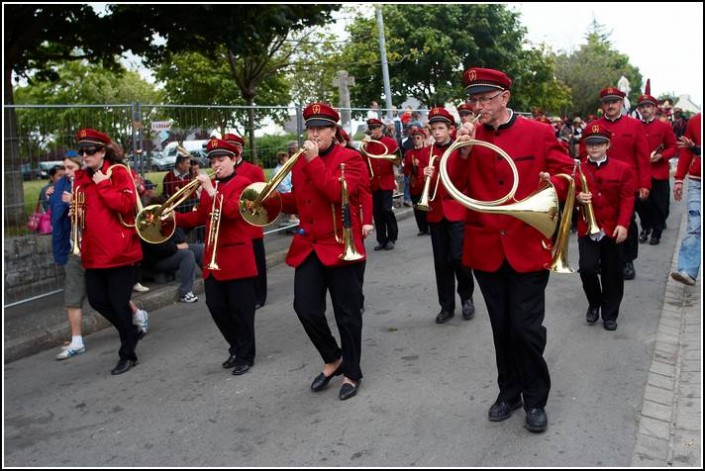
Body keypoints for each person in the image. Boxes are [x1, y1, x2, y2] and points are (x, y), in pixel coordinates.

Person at [449, 67, 575, 433]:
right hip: (485, 246)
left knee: (526, 328)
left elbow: (567, 175)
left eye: (485, 99)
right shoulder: (466, 140)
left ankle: (536, 398)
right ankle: (509, 392)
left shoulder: (539, 132)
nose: (478, 106)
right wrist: (464, 151)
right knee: (501, 327)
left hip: (527, 244)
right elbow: (451, 187)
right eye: (474, 100)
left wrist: (554, 187)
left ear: (505, 98)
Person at [279, 102, 367, 400]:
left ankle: (352, 372)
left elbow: (334, 193)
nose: (314, 134)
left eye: (320, 129)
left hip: (341, 245)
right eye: (311, 129)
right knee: (305, 308)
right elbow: (301, 201)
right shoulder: (301, 161)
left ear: (333, 130)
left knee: (347, 314)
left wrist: (313, 161)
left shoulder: (351, 158)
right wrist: (267, 202)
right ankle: (333, 357)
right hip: (310, 246)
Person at [175, 138, 258, 375]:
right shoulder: (213, 185)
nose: (216, 164)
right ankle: (236, 347)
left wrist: (211, 191)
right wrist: (173, 218)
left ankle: (246, 355)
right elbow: (200, 216)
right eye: (213, 160)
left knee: (242, 311)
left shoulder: (244, 183)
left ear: (233, 160)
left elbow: (232, 212)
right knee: (216, 307)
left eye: (221, 159)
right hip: (214, 259)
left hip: (237, 258)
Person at [72, 128, 144, 375]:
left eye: (89, 151)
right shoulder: (81, 177)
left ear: (102, 152)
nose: (84, 155)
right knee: (97, 300)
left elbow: (125, 205)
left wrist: (103, 185)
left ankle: (127, 353)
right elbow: (84, 211)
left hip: (119, 251)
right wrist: (74, 210)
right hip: (93, 252)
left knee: (119, 302)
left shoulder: (118, 172)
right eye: (81, 151)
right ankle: (130, 332)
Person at [581, 87, 650, 280]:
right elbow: (582, 156)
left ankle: (628, 260)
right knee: (602, 221)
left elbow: (643, 158)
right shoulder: (592, 127)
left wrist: (645, 184)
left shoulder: (635, 126)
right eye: (607, 102)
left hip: (628, 184)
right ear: (602, 105)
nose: (610, 105)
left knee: (628, 223)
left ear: (621, 104)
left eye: (614, 102)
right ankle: (604, 259)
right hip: (598, 184)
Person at [576, 124, 636, 331]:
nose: (594, 148)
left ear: (607, 145)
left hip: (612, 228)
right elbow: (567, 195)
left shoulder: (623, 168)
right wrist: (577, 198)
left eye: (599, 143)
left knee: (613, 273)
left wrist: (623, 224)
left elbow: (627, 198)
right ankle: (594, 302)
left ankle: (610, 313)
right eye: (590, 144)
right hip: (587, 227)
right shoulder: (578, 169)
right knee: (587, 268)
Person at [421, 107, 476, 324]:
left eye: (441, 128)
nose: (436, 132)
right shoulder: (427, 153)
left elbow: (463, 178)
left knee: (459, 258)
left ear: (450, 129)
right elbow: (418, 187)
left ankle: (467, 297)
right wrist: (423, 176)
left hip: (456, 212)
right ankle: (446, 306)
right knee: (441, 262)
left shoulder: (458, 148)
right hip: (436, 214)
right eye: (433, 129)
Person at [222, 133, 267, 309]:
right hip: (232, 226)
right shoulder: (223, 171)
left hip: (250, 224)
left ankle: (260, 296)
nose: (235, 150)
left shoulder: (253, 170)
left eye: (236, 147)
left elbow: (261, 196)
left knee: (257, 263)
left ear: (241, 149)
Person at [634, 94, 678, 246]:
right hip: (639, 173)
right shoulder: (634, 126)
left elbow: (673, 146)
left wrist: (662, 156)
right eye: (642, 107)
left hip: (658, 172)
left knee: (660, 205)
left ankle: (657, 232)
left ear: (654, 109)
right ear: (639, 109)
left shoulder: (663, 126)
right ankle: (646, 227)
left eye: (648, 106)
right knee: (641, 204)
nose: (645, 109)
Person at [140, 196, 199, 303]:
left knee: (200, 249)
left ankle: (213, 280)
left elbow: (179, 235)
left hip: (171, 252)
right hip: (158, 260)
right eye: (170, 207)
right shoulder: (150, 225)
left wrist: (190, 221)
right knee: (187, 255)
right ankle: (186, 292)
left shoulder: (167, 220)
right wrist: (177, 247)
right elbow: (158, 249)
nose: (173, 210)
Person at [670, 113, 701, 286]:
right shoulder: (696, 121)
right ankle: (687, 270)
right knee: (694, 225)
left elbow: (695, 149)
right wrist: (679, 179)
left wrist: (697, 149)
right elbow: (685, 151)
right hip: (698, 182)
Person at [362, 117, 400, 251]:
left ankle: (392, 237)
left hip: (386, 181)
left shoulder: (390, 142)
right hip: (373, 182)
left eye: (375, 128)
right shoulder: (368, 144)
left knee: (387, 210)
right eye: (371, 129)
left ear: (381, 128)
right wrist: (364, 147)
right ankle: (381, 239)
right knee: (377, 212)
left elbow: (397, 161)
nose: (373, 131)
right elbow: (362, 162)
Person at [403, 127, 430, 235]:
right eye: (414, 138)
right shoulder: (409, 153)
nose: (416, 140)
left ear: (423, 139)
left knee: (427, 207)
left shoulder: (428, 151)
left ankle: (429, 226)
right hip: (415, 184)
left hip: (425, 183)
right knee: (417, 207)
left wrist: (420, 167)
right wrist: (410, 166)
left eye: (418, 138)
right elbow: (406, 171)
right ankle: (422, 228)